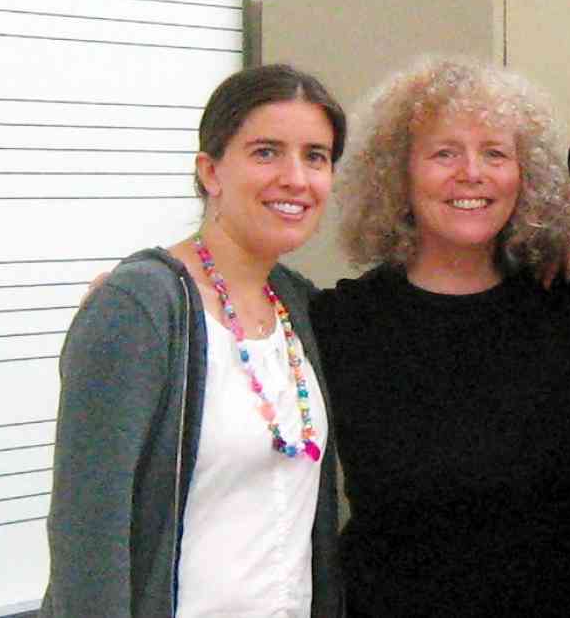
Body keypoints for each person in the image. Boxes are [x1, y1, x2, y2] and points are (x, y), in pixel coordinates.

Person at [308, 56, 570, 617]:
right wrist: (160, 282)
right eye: (444, 152)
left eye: (495, 153)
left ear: (527, 175)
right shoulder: (339, 323)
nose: (472, 172)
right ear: (397, 174)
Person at [40, 64, 345, 617]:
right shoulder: (143, 310)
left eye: (315, 156)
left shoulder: (299, 310)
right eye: (266, 152)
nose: (296, 178)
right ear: (210, 171)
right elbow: (87, 533)